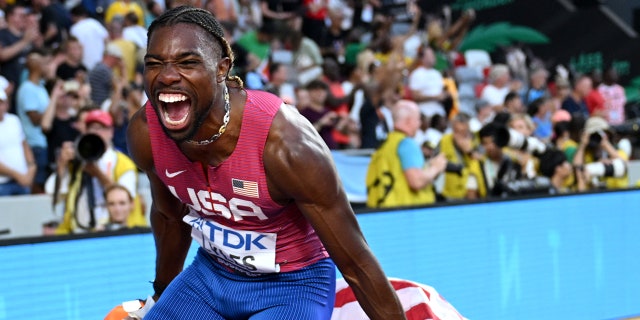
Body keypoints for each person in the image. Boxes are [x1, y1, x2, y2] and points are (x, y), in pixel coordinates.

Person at [125, 6, 406, 319]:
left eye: (187, 63)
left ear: (221, 69)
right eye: (154, 64)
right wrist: (160, 295)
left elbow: (356, 263)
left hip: (293, 284)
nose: (166, 76)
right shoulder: (145, 132)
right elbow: (168, 217)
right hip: (211, 274)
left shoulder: (286, 146)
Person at [48, 109, 146, 234]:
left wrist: (97, 174)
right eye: (92, 128)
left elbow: (124, 200)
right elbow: (52, 193)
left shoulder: (123, 163)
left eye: (102, 128)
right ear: (86, 132)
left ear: (111, 132)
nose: (97, 133)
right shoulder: (76, 161)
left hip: (116, 232)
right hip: (78, 231)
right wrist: (62, 164)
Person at [366, 99, 447, 208]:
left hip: (381, 210)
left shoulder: (385, 144)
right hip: (405, 213)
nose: (419, 124)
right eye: (418, 119)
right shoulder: (407, 144)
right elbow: (416, 181)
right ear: (409, 121)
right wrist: (436, 167)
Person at [0, 90, 36, 196]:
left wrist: (31, 167)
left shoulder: (14, 120)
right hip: (3, 183)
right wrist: (18, 175)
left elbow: (24, 145)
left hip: (23, 181)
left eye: (1, 103)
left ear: (6, 104)